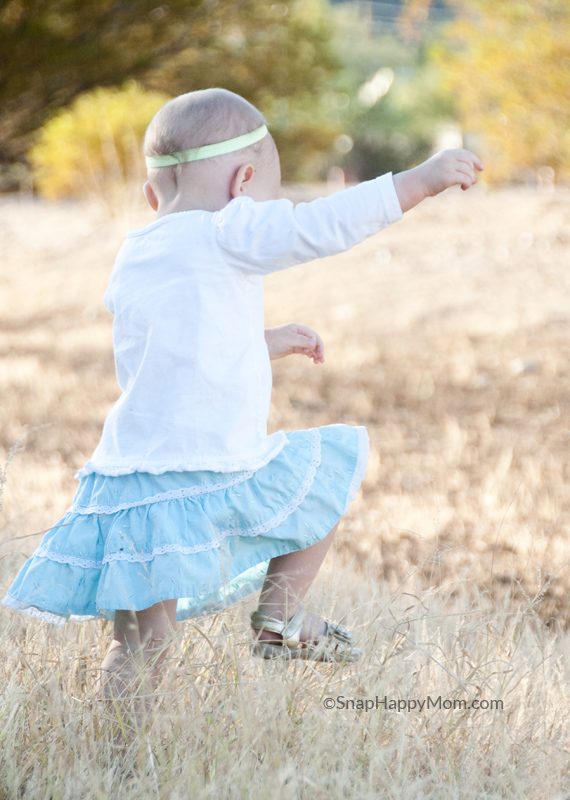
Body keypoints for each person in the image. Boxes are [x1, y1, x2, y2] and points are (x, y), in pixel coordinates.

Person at [2, 88, 483, 717]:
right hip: (208, 465)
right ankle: (279, 617)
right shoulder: (231, 226)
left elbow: (172, 350)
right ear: (244, 182)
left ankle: (116, 754)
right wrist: (416, 182)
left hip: (133, 482)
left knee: (139, 646)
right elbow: (320, 226)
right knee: (327, 467)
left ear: (154, 196)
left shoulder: (137, 251)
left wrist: (261, 341)